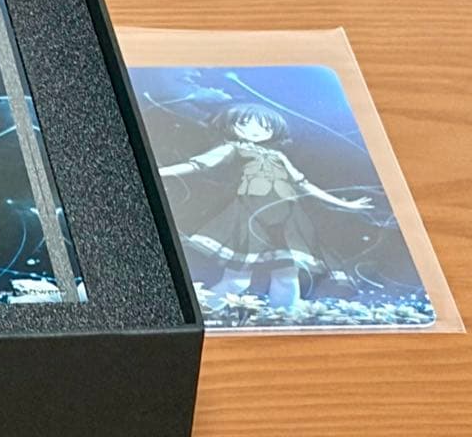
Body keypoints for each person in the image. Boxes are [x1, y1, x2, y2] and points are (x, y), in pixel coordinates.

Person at [158, 103, 371, 308]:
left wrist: (346, 204)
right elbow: (198, 164)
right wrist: (158, 172)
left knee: (286, 276)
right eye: (245, 124)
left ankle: (286, 318)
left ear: (273, 131)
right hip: (250, 214)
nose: (254, 130)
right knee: (238, 280)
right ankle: (206, 309)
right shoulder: (232, 148)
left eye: (264, 127)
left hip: (287, 217)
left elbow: (303, 184)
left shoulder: (278, 156)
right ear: (231, 125)